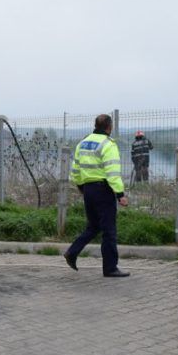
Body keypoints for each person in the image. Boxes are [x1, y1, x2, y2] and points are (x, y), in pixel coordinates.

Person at [63, 114, 130, 278]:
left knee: (93, 226)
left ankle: (72, 252)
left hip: (88, 190)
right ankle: (110, 268)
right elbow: (112, 172)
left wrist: (82, 188)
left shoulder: (83, 143)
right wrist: (120, 194)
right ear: (110, 127)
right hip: (103, 190)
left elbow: (76, 170)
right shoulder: (108, 144)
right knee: (109, 230)